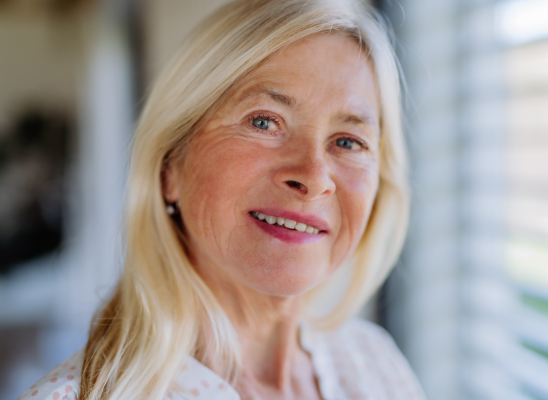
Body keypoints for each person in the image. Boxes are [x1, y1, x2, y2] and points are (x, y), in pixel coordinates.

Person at [18, 0, 426, 399]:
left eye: (347, 141)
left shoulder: (375, 365)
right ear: (170, 168)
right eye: (264, 121)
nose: (314, 177)